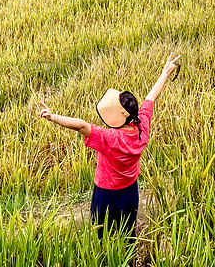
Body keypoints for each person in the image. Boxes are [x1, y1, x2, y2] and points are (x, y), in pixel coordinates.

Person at [38, 51, 181, 239]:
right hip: (130, 190)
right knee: (128, 232)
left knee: (101, 234)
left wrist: (53, 117)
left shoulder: (110, 138)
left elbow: (81, 125)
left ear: (120, 116)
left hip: (106, 192)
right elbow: (151, 97)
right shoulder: (142, 125)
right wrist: (165, 73)